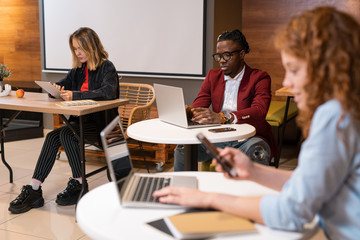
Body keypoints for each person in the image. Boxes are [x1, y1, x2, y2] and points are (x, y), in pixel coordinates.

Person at [154, 7, 360, 239]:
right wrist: (252, 171)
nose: (287, 81)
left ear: (327, 69)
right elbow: (310, 185)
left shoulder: (335, 118)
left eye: (294, 70)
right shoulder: (348, 111)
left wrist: (209, 198)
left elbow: (292, 211)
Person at [8, 27, 119, 214]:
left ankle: (80, 184)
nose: (77, 53)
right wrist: (56, 89)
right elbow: (64, 83)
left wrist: (75, 95)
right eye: (75, 49)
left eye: (80, 48)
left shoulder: (107, 67)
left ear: (91, 46)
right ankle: (34, 188)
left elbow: (108, 92)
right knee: (52, 136)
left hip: (102, 126)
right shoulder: (79, 69)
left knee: (68, 134)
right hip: (81, 122)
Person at [174, 29, 277, 171]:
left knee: (257, 151)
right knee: (182, 148)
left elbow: (259, 111)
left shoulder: (259, 78)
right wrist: (189, 112)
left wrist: (223, 117)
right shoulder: (213, 76)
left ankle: (251, 193)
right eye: (219, 56)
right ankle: (181, 191)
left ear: (241, 54)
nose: (221, 60)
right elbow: (200, 103)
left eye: (227, 55)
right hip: (216, 138)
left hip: (247, 139)